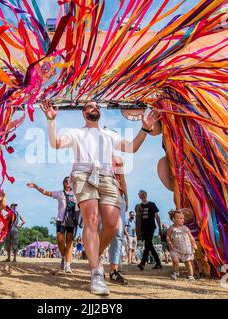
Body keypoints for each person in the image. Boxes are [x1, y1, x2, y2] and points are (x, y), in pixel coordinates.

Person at [41, 99, 158, 295]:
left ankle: (94, 253)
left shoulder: (109, 134)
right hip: (82, 174)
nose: (94, 107)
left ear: (100, 112)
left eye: (97, 106)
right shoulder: (76, 133)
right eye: (89, 106)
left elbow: (132, 148)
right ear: (84, 113)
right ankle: (96, 272)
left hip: (106, 176)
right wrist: (51, 121)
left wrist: (144, 130)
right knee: (92, 219)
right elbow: (56, 144)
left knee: (113, 224)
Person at [27, 177, 79, 273]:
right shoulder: (59, 193)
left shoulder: (77, 194)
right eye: (65, 181)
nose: (67, 182)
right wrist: (36, 186)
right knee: (60, 240)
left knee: (69, 241)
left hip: (72, 220)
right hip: (61, 220)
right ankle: (63, 256)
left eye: (69, 181)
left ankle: (68, 265)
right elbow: (46, 192)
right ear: (63, 183)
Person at [107, 155, 129, 285]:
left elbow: (122, 178)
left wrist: (126, 196)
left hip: (118, 196)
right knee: (99, 231)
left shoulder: (117, 158)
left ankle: (113, 270)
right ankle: (96, 268)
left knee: (119, 233)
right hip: (101, 196)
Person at [135, 190, 163, 270]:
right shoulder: (139, 206)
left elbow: (157, 216)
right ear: (139, 197)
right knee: (149, 245)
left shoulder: (152, 204)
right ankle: (158, 263)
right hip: (143, 228)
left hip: (151, 227)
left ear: (146, 195)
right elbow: (138, 219)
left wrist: (160, 227)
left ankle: (142, 263)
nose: (142, 196)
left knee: (147, 243)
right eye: (140, 195)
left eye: (143, 194)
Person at [167, 209, 197, 280]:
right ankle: (176, 272)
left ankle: (190, 275)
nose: (183, 220)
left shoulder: (185, 228)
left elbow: (190, 236)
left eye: (183, 218)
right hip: (175, 248)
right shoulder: (172, 228)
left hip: (185, 248)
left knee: (188, 263)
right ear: (174, 219)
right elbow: (168, 236)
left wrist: (194, 244)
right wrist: (169, 243)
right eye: (180, 218)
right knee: (175, 260)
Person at [181, 208, 210, 279]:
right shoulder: (191, 223)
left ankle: (197, 272)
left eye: (182, 217)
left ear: (186, 217)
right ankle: (198, 272)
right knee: (196, 258)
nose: (181, 219)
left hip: (194, 243)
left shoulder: (189, 224)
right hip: (194, 243)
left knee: (195, 258)